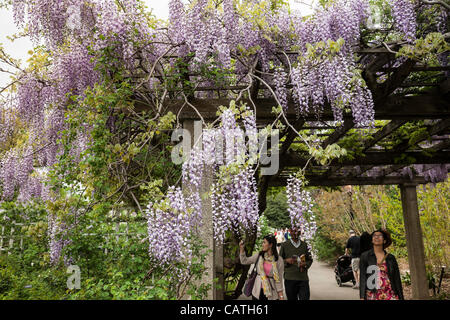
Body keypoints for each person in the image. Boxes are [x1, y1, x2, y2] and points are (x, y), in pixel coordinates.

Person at [359, 229, 404, 300]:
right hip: (372, 294)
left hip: (389, 292)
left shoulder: (391, 258)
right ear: (372, 240)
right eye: (374, 236)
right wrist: (362, 296)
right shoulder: (365, 256)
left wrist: (401, 296)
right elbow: (363, 277)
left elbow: (396, 278)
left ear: (384, 240)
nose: (376, 237)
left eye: (380, 236)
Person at [239, 235, 285, 300]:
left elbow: (279, 280)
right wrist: (241, 249)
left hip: (271, 293)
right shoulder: (259, 255)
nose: (262, 244)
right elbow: (244, 261)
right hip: (257, 291)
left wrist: (281, 296)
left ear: (270, 245)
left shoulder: (279, 260)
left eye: (264, 242)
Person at [279, 227, 313, 300]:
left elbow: (310, 259)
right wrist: (286, 261)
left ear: (300, 232)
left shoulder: (305, 245)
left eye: (297, 231)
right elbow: (279, 261)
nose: (295, 233)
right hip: (290, 278)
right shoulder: (284, 245)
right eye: (292, 231)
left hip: (303, 278)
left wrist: (305, 264)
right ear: (289, 232)